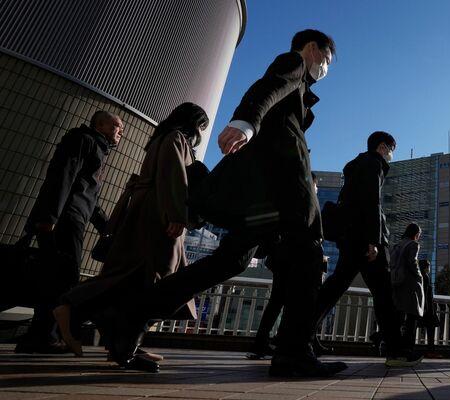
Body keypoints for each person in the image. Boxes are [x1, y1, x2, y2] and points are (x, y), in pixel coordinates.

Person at [103, 30, 344, 377]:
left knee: (229, 262)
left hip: (261, 198)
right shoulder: (293, 63)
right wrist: (245, 123)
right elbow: (268, 87)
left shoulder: (303, 90)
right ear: (311, 48)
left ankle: (131, 313)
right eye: (326, 60)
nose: (325, 68)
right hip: (282, 190)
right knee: (307, 253)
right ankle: (293, 353)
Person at [52, 103, 207, 366]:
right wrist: (177, 214)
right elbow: (173, 176)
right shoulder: (176, 138)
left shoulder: (161, 138)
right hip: (159, 215)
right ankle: (76, 307)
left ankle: (122, 343)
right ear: (194, 124)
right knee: (154, 277)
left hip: (149, 211)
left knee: (136, 276)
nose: (201, 133)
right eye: (201, 126)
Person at [15, 110, 123, 354]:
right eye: (117, 126)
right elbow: (63, 176)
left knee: (55, 276)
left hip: (71, 217)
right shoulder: (83, 140)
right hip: (64, 218)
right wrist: (49, 217)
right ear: (100, 125)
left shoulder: (97, 148)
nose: (121, 132)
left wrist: (107, 228)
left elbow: (89, 196)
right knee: (64, 277)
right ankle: (44, 336)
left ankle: (39, 336)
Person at [313, 132, 418, 367]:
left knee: (335, 286)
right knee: (384, 294)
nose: (391, 154)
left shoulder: (356, 166)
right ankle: (396, 351)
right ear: (382, 147)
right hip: (366, 240)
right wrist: (373, 240)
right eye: (391, 149)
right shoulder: (373, 163)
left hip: (351, 237)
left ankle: (298, 336)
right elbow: (372, 202)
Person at [245, 173, 327, 361]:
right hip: (295, 258)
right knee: (295, 302)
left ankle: (261, 344)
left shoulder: (287, 198)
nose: (316, 189)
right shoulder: (305, 201)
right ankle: (284, 344)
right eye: (316, 186)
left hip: (281, 257)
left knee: (276, 301)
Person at [389, 223, 425, 362]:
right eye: (419, 234)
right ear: (416, 234)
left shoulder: (397, 245)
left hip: (397, 283)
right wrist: (419, 275)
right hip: (409, 285)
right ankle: (408, 350)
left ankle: (396, 348)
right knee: (412, 317)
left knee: (398, 317)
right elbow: (412, 262)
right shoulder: (413, 244)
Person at [418, 260, 441, 358]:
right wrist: (427, 308)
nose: (430, 268)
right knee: (431, 331)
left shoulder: (420, 277)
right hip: (428, 309)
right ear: (426, 267)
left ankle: (430, 350)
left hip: (423, 308)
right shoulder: (425, 277)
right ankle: (431, 351)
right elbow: (426, 293)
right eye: (429, 266)